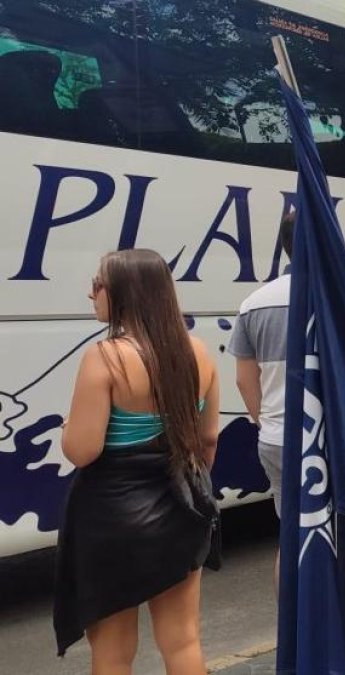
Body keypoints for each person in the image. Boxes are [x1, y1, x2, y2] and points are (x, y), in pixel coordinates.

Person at [54, 249, 221, 671]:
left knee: (112, 650)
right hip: (183, 507)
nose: (90, 293)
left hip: (111, 515)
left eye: (97, 285)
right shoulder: (199, 352)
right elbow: (208, 438)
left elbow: (82, 450)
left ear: (123, 293)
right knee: (183, 642)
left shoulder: (104, 357)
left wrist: (66, 428)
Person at [230, 213, 345, 591]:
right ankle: (336, 637)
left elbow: (243, 378)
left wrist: (266, 420)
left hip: (276, 439)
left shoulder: (252, 303)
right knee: (338, 535)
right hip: (332, 438)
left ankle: (294, 630)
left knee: (292, 535)